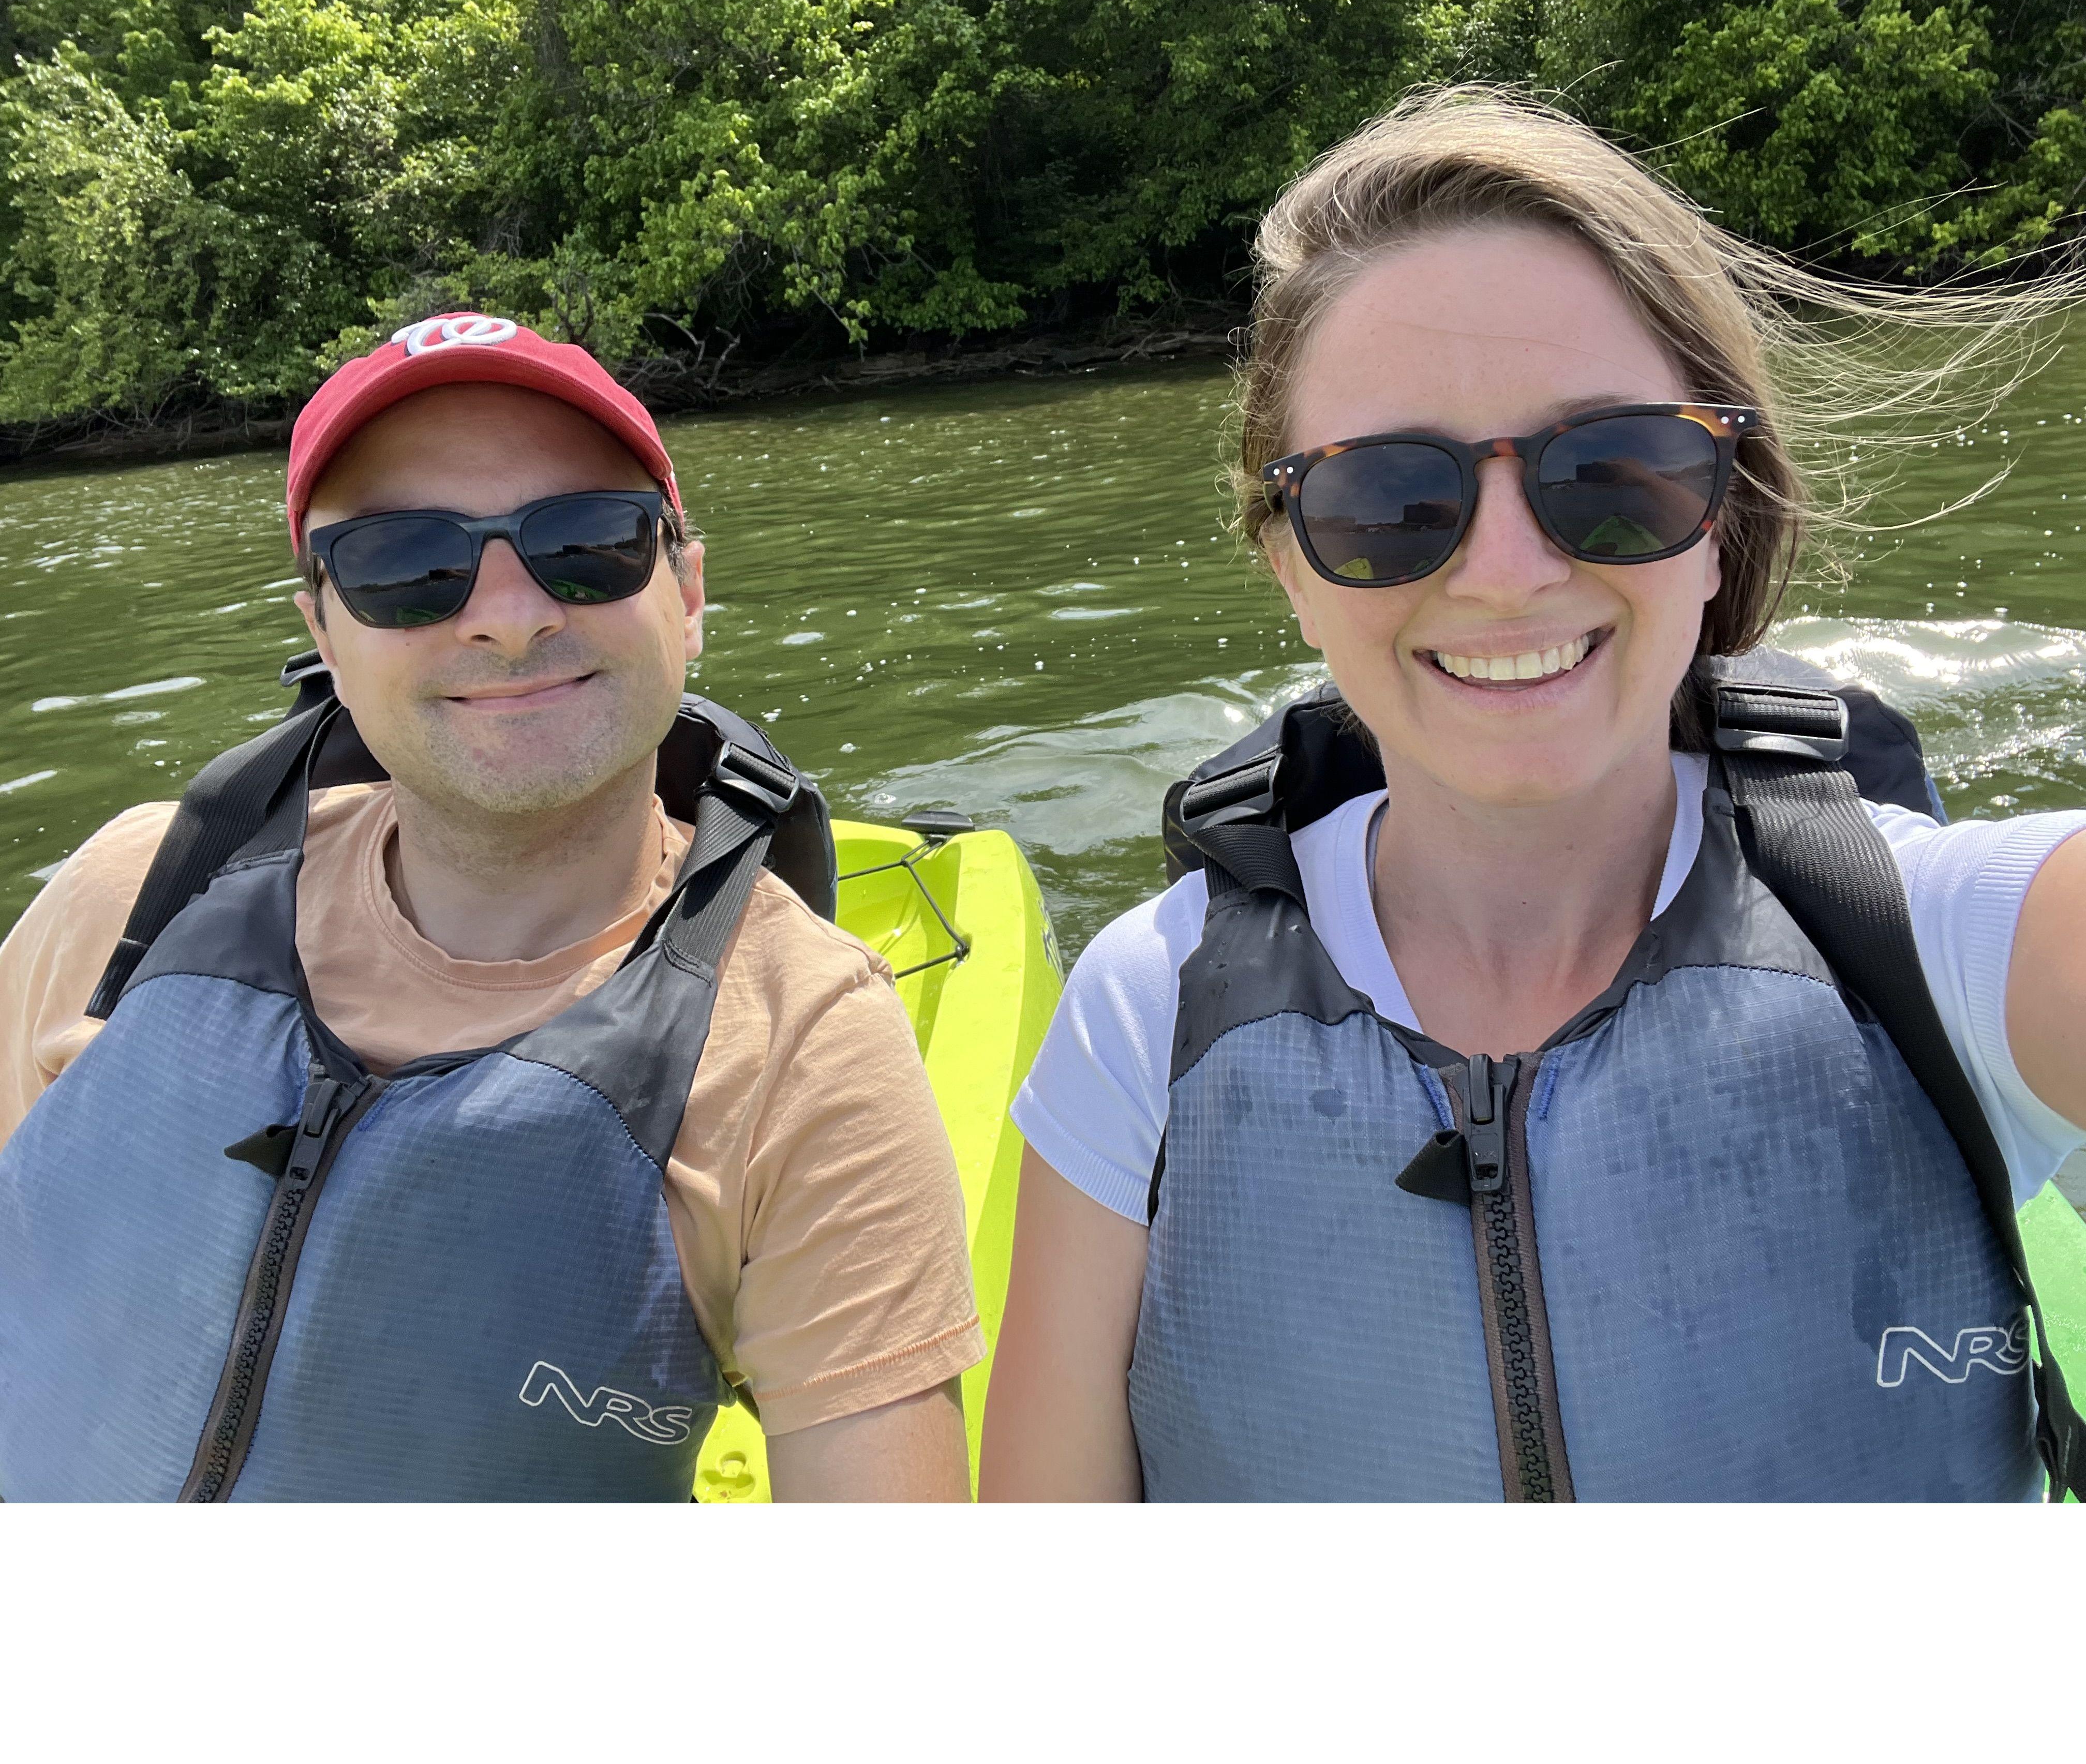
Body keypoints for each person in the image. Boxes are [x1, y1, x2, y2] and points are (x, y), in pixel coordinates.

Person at [980, 88, 2086, 1503]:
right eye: (1389, 499)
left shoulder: (1936, 940)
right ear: (1290, 564)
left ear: (1719, 517)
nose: (1506, 571)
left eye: (1613, 468)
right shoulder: (1147, 1020)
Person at [0, 313, 981, 1501]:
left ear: (689, 589)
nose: (510, 615)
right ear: (321, 624)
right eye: (405, 566)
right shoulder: (135, 895)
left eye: (590, 542)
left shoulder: (804, 1047)